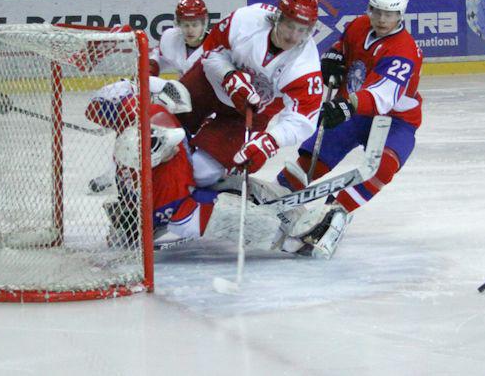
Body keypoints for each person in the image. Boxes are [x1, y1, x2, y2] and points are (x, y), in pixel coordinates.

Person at [85, 78, 327, 255]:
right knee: (233, 216)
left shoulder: (135, 128)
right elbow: (169, 140)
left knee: (225, 182)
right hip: (181, 211)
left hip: (166, 204)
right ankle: (298, 241)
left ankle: (284, 207)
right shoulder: (153, 117)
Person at [275, 0, 423, 258]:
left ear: (400, 14)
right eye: (376, 11)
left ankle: (335, 213)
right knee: (315, 155)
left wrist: (346, 105)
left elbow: (383, 96)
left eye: (388, 14)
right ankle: (275, 198)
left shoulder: (403, 49)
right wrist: (333, 56)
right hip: (353, 111)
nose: (381, 19)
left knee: (382, 168)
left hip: (394, 121)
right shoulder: (357, 26)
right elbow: (343, 46)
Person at [176, 0, 323, 189]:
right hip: (208, 84)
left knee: (202, 172)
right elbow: (211, 52)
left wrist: (271, 140)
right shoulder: (245, 20)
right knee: (162, 132)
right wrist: (228, 76)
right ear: (278, 17)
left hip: (249, 115)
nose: (293, 36)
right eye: (290, 26)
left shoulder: (305, 65)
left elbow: (303, 119)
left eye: (302, 30)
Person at [149, 0, 209, 77]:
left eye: (195, 25)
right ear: (179, 24)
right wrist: (149, 71)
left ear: (203, 24)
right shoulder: (172, 39)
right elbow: (158, 59)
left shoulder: (215, 47)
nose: (190, 30)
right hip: (183, 87)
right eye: (185, 25)